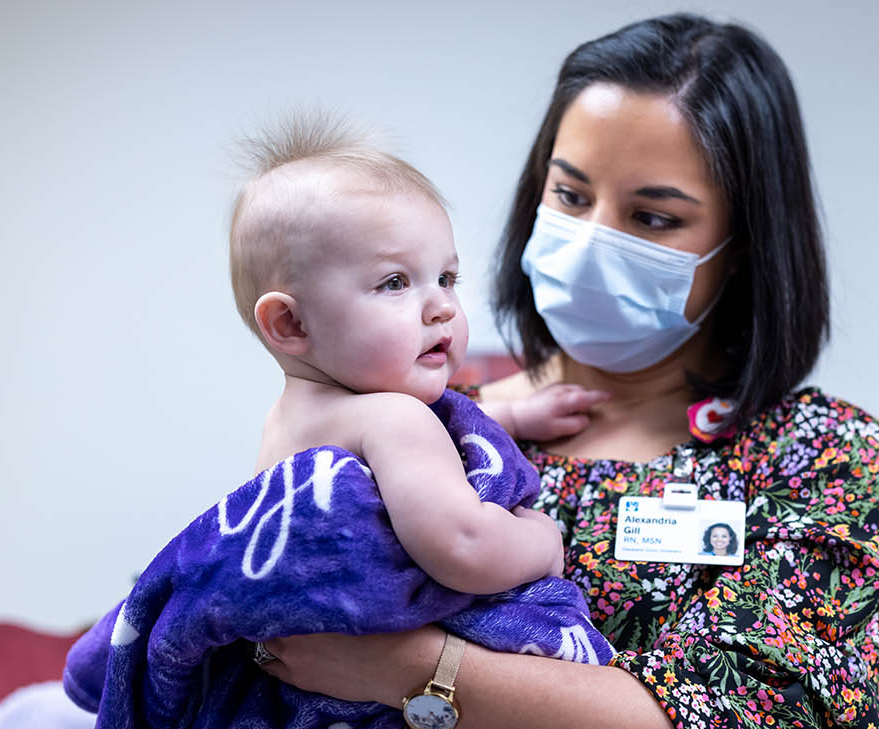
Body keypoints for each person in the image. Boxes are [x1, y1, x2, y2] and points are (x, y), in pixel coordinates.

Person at [259, 13, 879, 729]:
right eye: (571, 196)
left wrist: (409, 668)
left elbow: (765, 710)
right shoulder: (418, 414)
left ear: (743, 245)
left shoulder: (821, 457)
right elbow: (282, 614)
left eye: (653, 218)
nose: (593, 241)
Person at [228, 115, 610, 599]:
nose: (443, 307)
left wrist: (513, 416)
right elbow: (467, 547)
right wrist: (542, 540)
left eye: (447, 278)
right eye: (395, 282)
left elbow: (413, 450)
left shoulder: (287, 420)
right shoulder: (395, 418)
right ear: (291, 324)